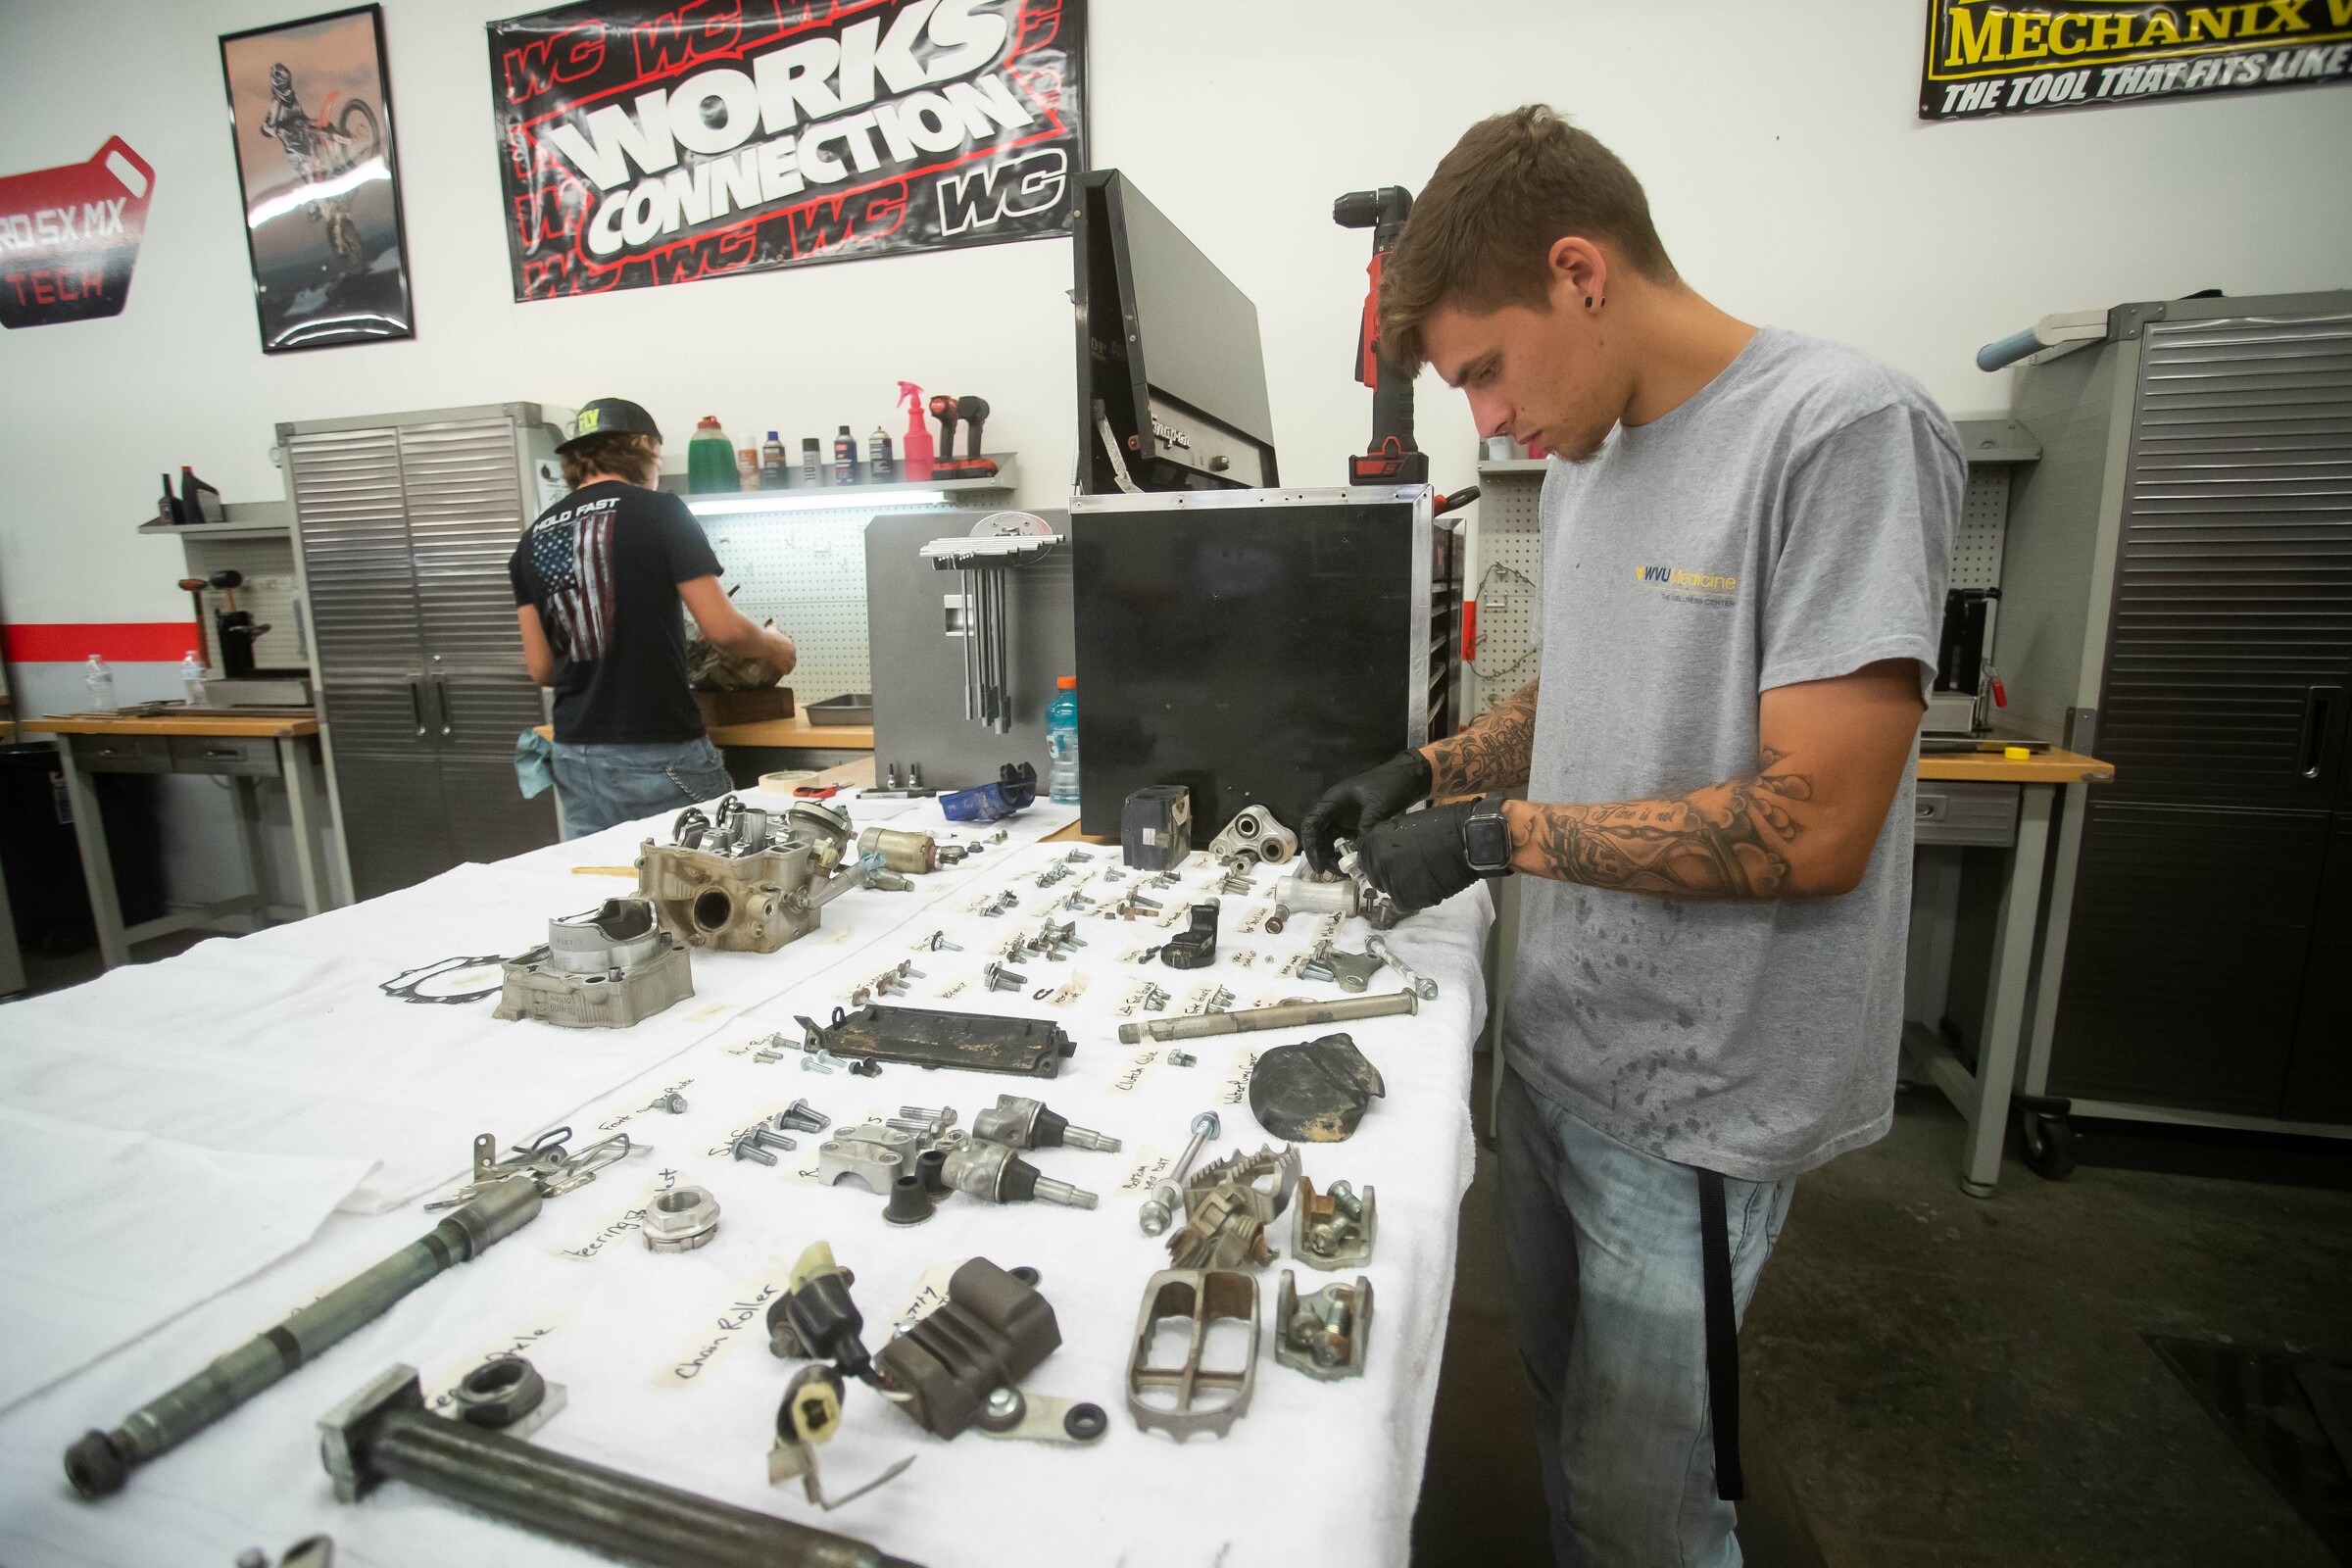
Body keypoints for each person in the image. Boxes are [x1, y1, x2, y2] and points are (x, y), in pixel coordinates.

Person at [1301, 107, 1958, 1567]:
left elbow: (1819, 822)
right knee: (1561, 1430)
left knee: (1650, 1515)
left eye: (1484, 370)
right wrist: (1427, 767)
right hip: (1560, 1054)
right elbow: (1585, 683)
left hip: (1702, 1103)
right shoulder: (1593, 455)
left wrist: (1496, 840)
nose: (1488, 419)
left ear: (1581, 273)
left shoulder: (1840, 432)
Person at [510, 398, 798, 837]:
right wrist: (776, 646)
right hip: (656, 748)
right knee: (704, 888)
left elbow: (542, 667)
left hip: (574, 751)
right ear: (642, 446)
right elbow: (722, 630)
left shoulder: (534, 538)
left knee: (607, 892)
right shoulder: (658, 511)